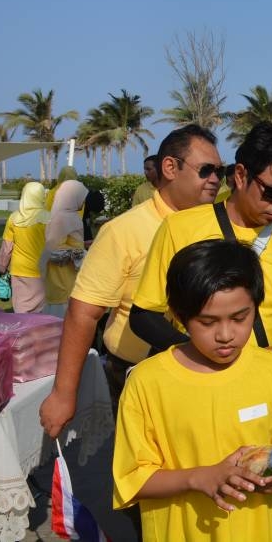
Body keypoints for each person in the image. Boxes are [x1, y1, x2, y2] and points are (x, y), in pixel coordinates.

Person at [112, 239, 272, 541]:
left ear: (255, 307)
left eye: (239, 318)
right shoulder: (147, 382)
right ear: (179, 316)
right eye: (207, 322)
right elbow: (131, 478)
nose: (225, 335)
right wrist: (199, 477)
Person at [40, 125, 223, 438]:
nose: (216, 180)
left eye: (221, 171)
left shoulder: (220, 228)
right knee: (142, 470)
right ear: (170, 167)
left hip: (209, 373)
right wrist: (63, 393)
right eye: (206, 170)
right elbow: (85, 312)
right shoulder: (124, 231)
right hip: (136, 374)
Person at [130, 122, 272, 373]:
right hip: (201, 382)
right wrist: (198, 355)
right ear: (241, 174)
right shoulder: (180, 228)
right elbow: (143, 315)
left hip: (269, 381)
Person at [0, 182, 49, 313]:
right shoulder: (50, 218)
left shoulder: (14, 218)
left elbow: (7, 248)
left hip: (19, 271)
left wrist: (1, 268)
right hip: (45, 270)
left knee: (21, 312)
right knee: (43, 313)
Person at [42, 179, 89, 317]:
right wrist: (83, 254)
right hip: (62, 279)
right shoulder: (63, 218)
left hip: (66, 277)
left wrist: (83, 246)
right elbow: (54, 251)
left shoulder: (65, 216)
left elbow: (68, 243)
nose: (83, 201)